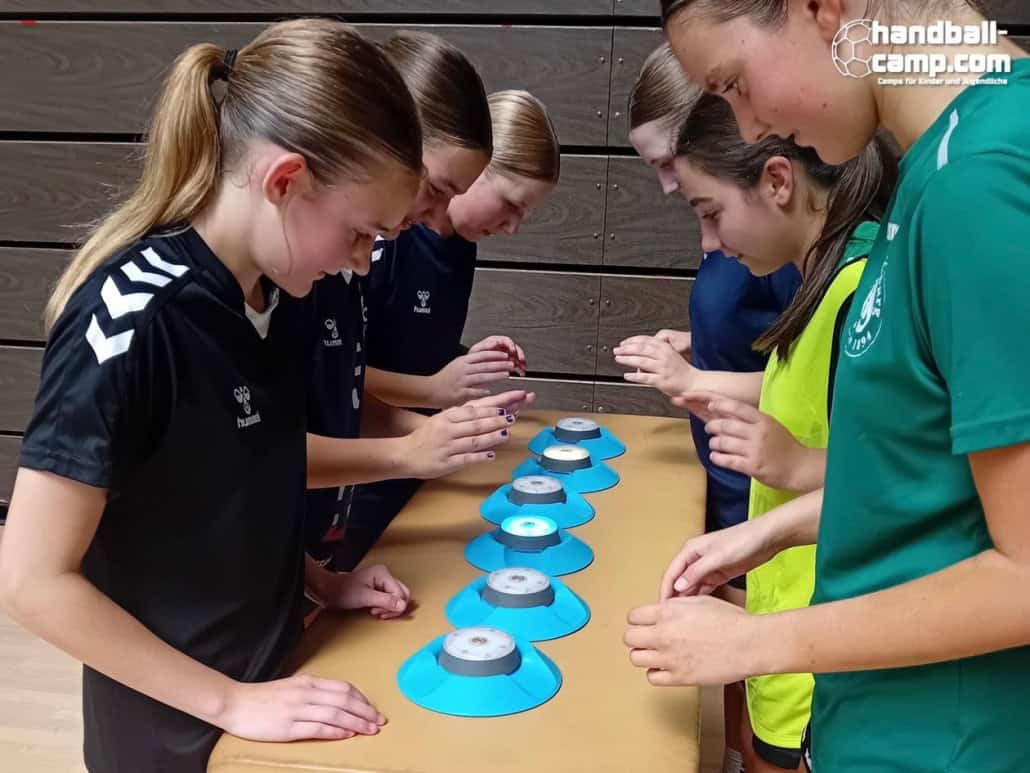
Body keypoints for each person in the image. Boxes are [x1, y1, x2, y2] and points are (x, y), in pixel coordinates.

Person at [0, 20, 426, 772]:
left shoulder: (285, 294)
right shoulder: (135, 317)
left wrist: (321, 582)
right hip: (170, 729)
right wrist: (230, 701)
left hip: (272, 682)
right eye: (361, 233)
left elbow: (239, 478)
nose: (362, 263)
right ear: (285, 182)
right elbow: (32, 580)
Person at [627, 2, 1030, 769]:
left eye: (734, 83)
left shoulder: (982, 182)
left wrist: (756, 641)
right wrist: (772, 530)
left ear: (821, 10)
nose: (750, 128)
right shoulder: (942, 169)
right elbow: (932, 491)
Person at [623, 90, 893, 771]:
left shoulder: (863, 291)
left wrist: (798, 465)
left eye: (711, 213)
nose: (710, 243)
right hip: (786, 617)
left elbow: (902, 486)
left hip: (823, 648)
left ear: (777, 181)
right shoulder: (817, 280)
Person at [623, 43, 801, 773]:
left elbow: (794, 384)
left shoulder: (792, 251)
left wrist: (692, 379)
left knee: (772, 723)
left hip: (775, 513)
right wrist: (696, 347)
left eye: (672, 164)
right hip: (740, 500)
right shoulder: (738, 235)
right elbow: (764, 348)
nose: (668, 185)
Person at [304, 32, 522, 572]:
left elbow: (341, 389)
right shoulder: (193, 296)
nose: (436, 215)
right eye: (436, 188)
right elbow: (248, 458)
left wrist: (317, 582)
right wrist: (414, 431)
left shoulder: (338, 261)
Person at [336, 89, 561, 568]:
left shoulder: (459, 244)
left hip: (416, 461)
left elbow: (411, 345)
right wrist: (434, 390)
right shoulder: (386, 239)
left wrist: (467, 365)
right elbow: (337, 372)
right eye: (511, 203)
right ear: (473, 174)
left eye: (525, 213)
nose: (513, 227)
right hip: (359, 473)